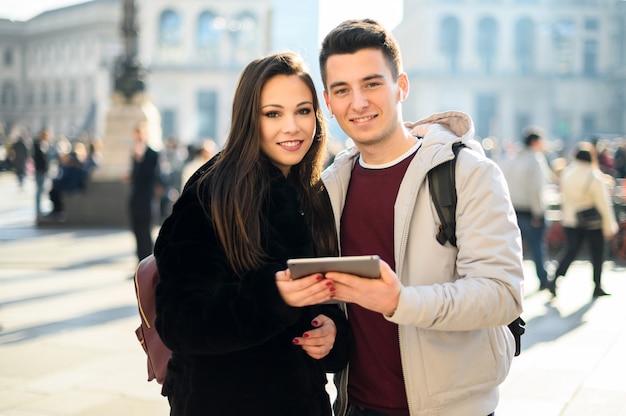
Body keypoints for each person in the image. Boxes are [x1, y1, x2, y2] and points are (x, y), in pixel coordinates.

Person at [318, 19, 524, 416]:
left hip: (453, 408)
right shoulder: (331, 187)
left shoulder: (467, 172)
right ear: (328, 102)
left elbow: (503, 293)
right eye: (342, 90)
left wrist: (402, 301)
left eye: (372, 83)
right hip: (354, 405)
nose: (358, 102)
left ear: (402, 87)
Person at [153, 52, 349, 415]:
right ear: (249, 118)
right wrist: (272, 296)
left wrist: (331, 332)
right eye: (273, 113)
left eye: (303, 111)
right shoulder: (213, 191)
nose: (292, 127)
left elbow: (321, 300)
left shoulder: (311, 192)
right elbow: (179, 320)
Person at [549, 142, 618, 298]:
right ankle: (597, 286)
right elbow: (603, 203)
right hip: (592, 221)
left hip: (571, 220)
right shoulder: (594, 175)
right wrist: (609, 227)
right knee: (597, 254)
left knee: (570, 252)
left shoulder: (567, 173)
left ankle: (554, 280)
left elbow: (563, 198)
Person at [500, 126, 553, 291]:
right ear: (536, 142)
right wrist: (538, 212)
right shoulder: (535, 160)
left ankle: (508, 282)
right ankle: (543, 279)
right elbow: (537, 189)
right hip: (531, 211)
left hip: (513, 209)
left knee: (512, 249)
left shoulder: (511, 158)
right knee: (537, 246)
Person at [128, 122, 160, 263]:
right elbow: (135, 177)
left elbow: (151, 175)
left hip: (147, 200)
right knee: (137, 233)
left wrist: (140, 160)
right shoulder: (134, 154)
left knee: (147, 234)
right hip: (136, 199)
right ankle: (139, 262)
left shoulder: (152, 154)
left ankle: (149, 264)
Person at [44, 149, 88, 221]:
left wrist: (55, 182)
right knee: (55, 191)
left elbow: (63, 180)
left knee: (54, 192)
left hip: (70, 188)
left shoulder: (70, 168)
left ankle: (57, 211)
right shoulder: (79, 168)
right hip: (75, 187)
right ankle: (57, 210)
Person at [32, 129, 51, 217]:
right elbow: (37, 158)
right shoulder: (37, 144)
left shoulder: (45, 144)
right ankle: (38, 210)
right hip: (39, 171)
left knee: (42, 190)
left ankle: (40, 209)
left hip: (44, 171)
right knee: (39, 191)